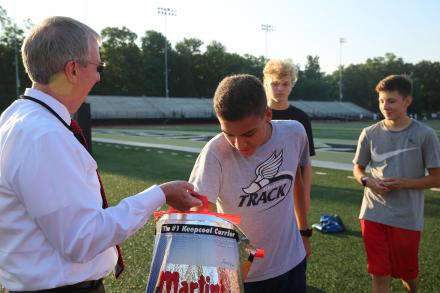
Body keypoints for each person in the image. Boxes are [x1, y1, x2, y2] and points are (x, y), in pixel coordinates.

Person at [0, 16, 201, 293]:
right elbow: (81, 239)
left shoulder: (17, 118)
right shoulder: (44, 134)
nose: (98, 76)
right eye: (98, 66)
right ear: (72, 69)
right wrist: (159, 194)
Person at [189, 74, 311, 292]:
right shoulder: (214, 153)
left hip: (292, 262)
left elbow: (297, 182)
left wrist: (304, 231)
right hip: (241, 273)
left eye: (248, 133)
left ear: (267, 115)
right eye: (229, 134)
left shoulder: (294, 132)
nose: (239, 144)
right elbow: (198, 211)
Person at [353, 74, 440, 293]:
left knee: (407, 274)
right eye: (381, 101)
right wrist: (367, 181)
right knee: (379, 274)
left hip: (406, 217)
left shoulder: (425, 134)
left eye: (391, 101)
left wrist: (404, 183)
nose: (385, 106)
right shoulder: (369, 133)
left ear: (407, 101)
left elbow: (437, 177)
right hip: (373, 213)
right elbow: (358, 168)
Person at [263, 59, 314, 212]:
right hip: (261, 189)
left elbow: (306, 162)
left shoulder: (301, 117)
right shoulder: (256, 114)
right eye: (274, 83)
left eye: (285, 84)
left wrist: (305, 195)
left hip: (292, 190)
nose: (280, 88)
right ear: (265, 84)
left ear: (292, 84)